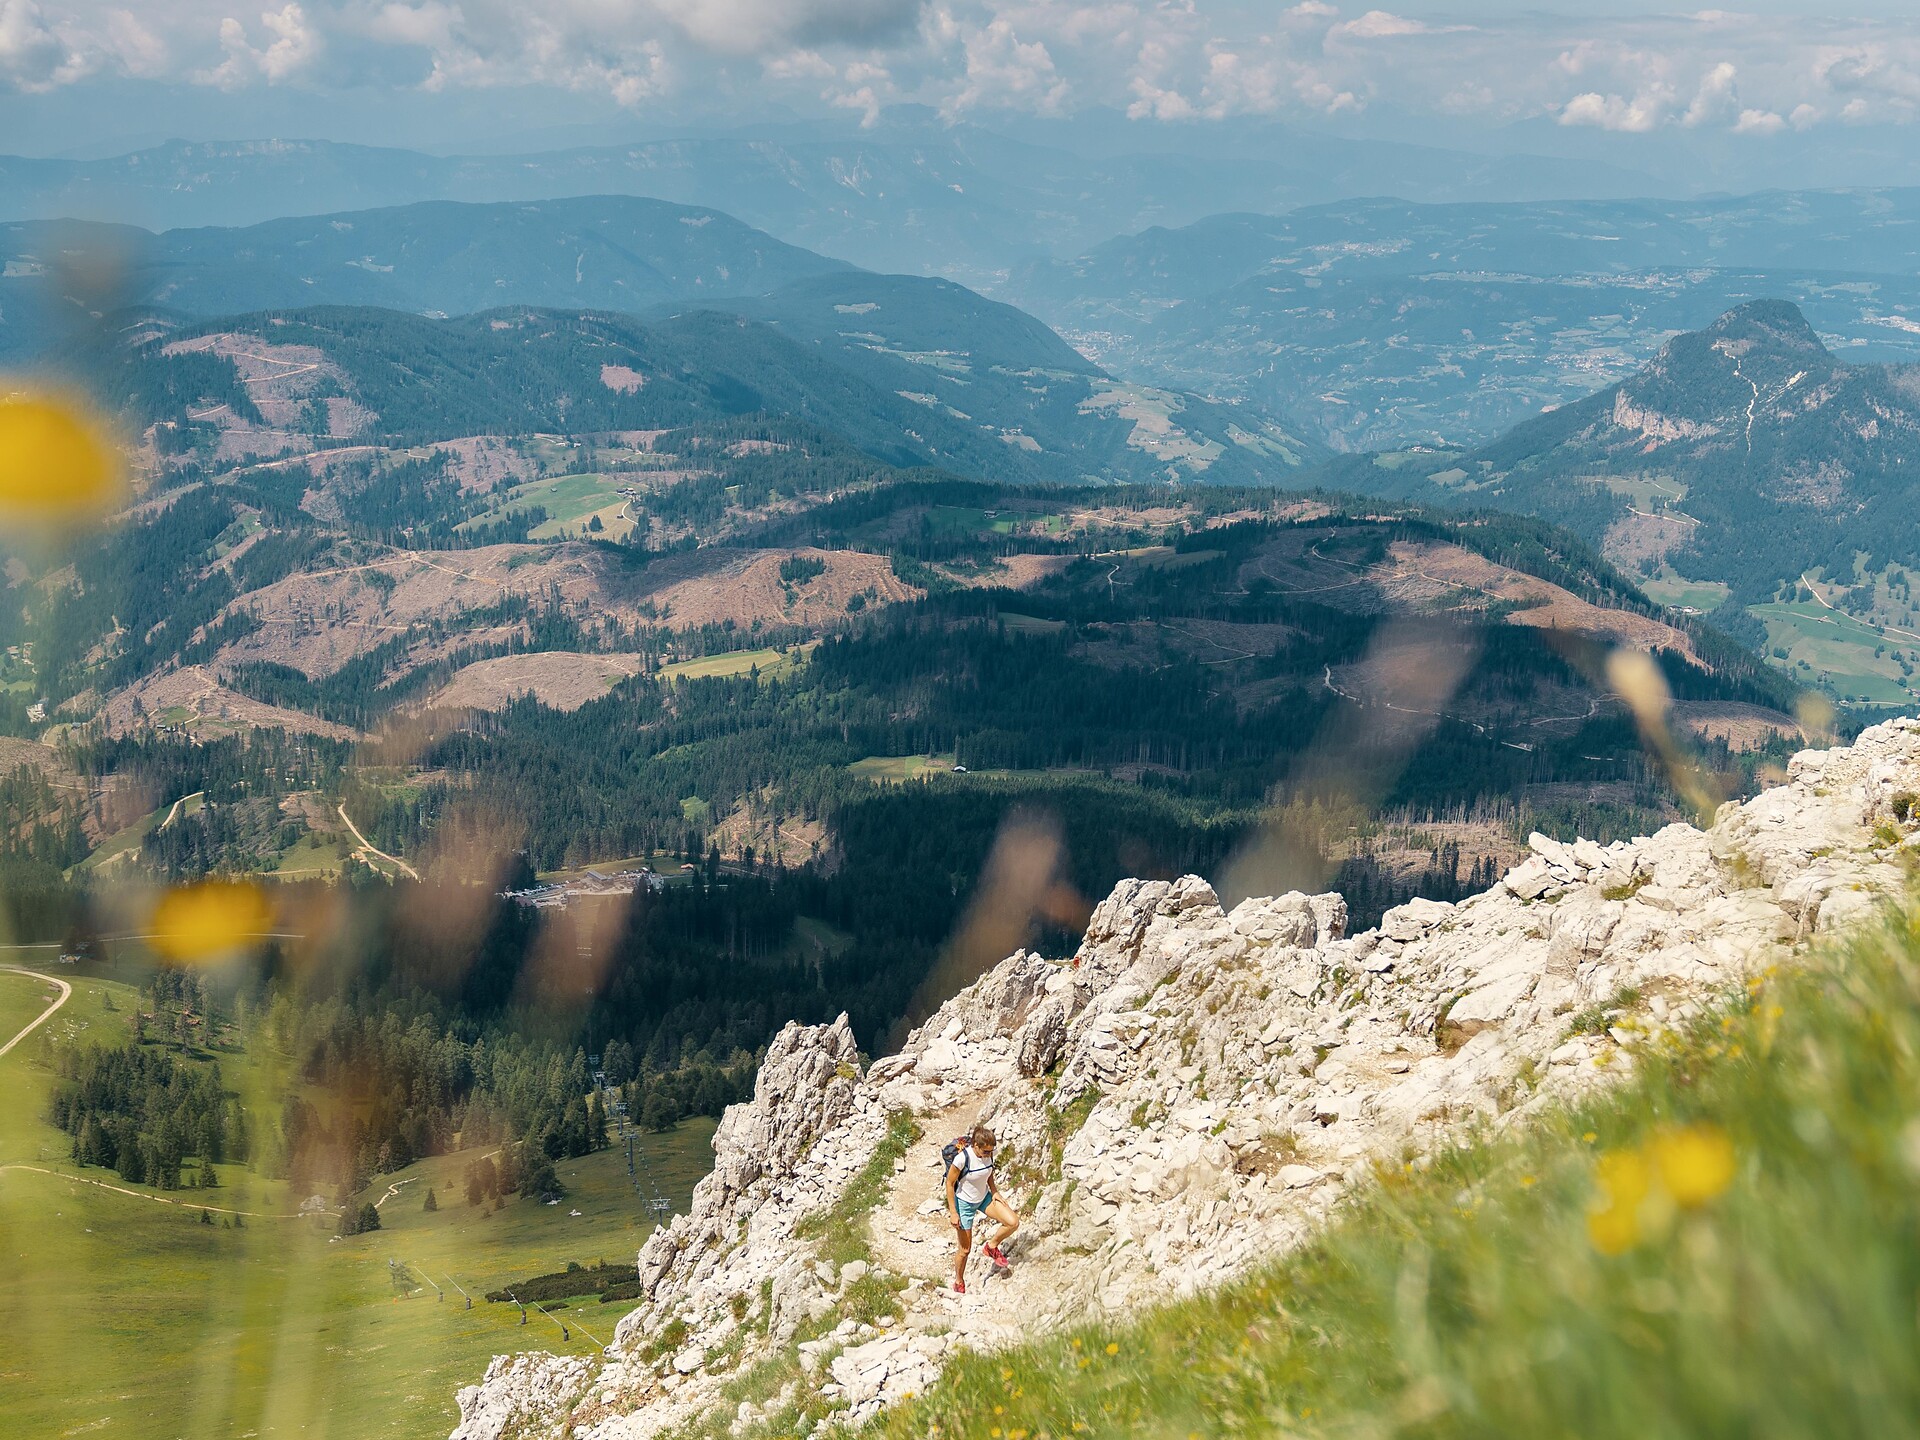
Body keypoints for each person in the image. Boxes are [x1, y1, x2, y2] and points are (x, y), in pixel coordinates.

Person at [944, 1123, 1019, 1294]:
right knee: (965, 1250)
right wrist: (953, 1212)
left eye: (991, 1151)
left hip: (984, 1198)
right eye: (985, 1151)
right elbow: (950, 1184)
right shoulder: (962, 1159)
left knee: (1012, 1222)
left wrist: (995, 1192)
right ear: (975, 1146)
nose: (988, 1154)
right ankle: (959, 1281)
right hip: (964, 1204)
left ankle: (991, 1247)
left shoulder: (988, 1155)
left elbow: (989, 1172)